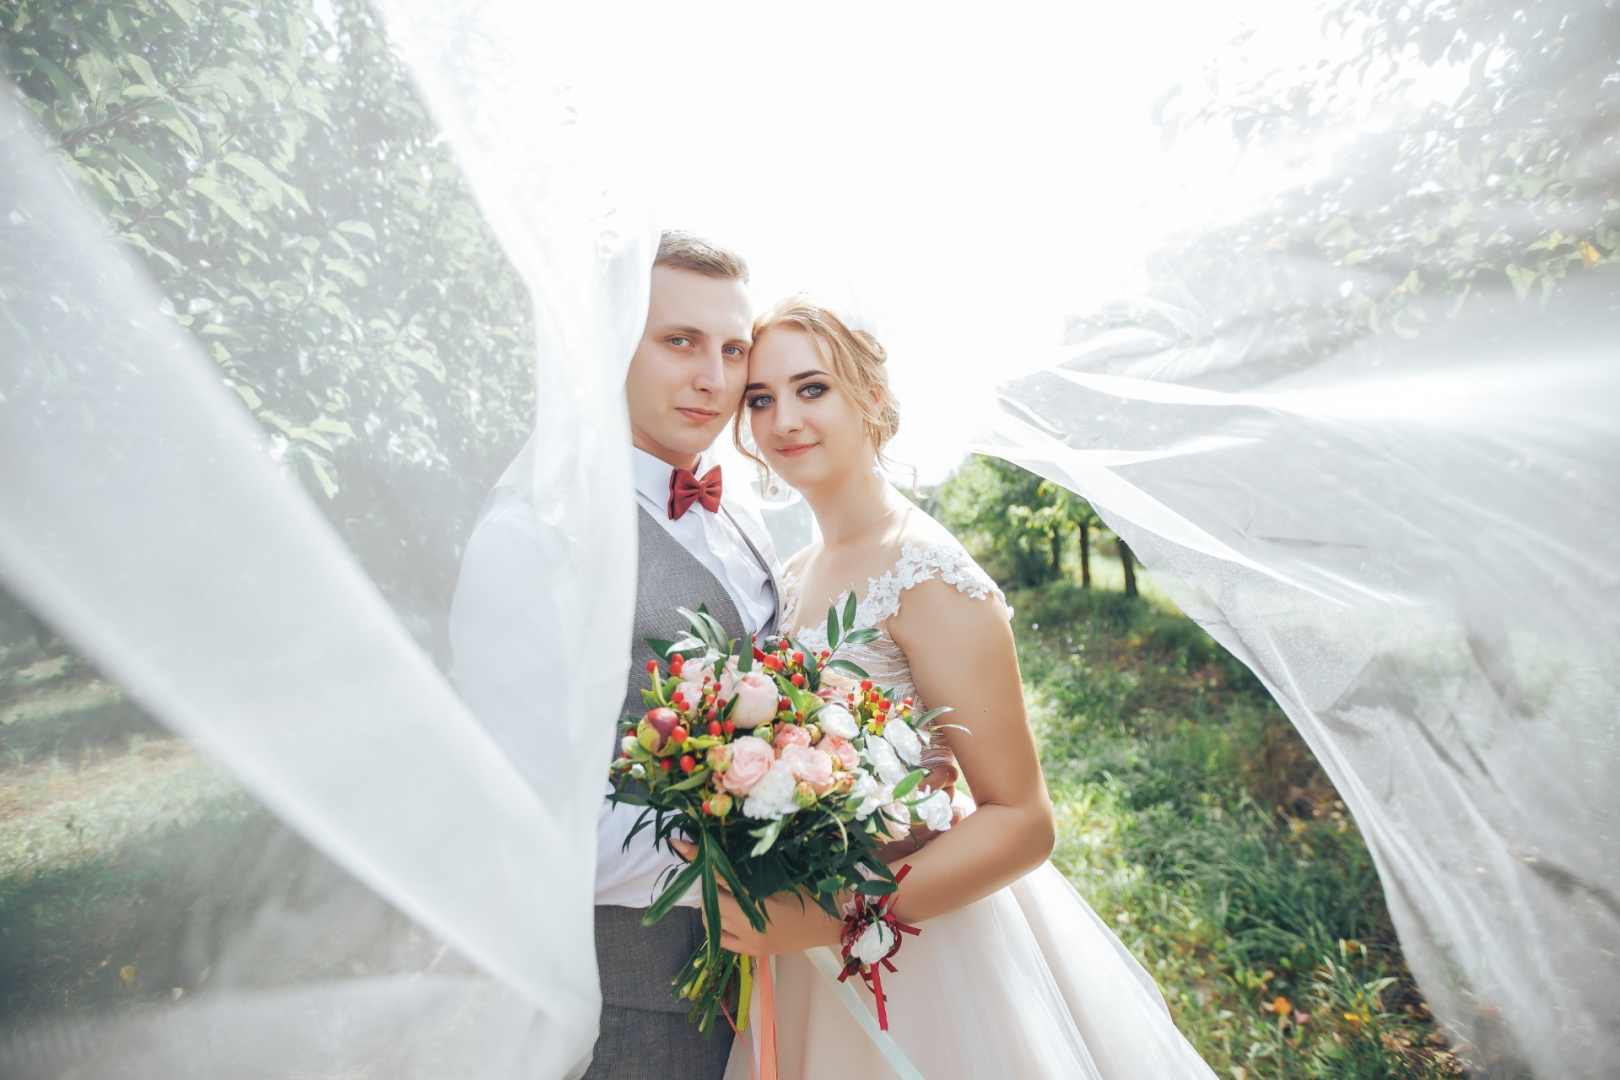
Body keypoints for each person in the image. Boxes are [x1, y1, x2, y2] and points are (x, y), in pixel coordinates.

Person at [709, 298, 1217, 1080]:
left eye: (812, 388)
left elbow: (1022, 821)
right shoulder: (791, 576)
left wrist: (830, 917)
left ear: (871, 397)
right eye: (761, 399)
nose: (784, 420)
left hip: (920, 957)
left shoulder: (927, 572)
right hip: (803, 957)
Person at [450, 232, 781, 1080]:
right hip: (635, 1009)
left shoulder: (739, 518)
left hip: (777, 986)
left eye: (733, 348)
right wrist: (767, 825)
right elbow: (527, 831)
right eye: (679, 341)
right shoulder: (532, 543)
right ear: (610, 347)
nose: (714, 376)